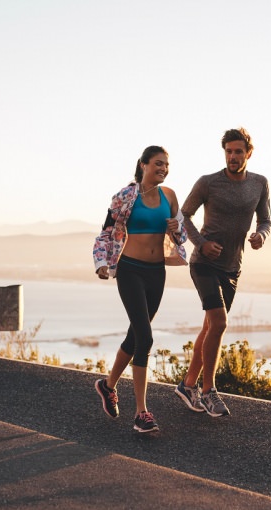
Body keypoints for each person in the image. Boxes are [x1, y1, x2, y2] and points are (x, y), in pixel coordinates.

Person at [174, 127, 271, 417]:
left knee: (210, 327)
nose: (232, 156)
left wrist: (261, 236)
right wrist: (202, 244)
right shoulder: (208, 183)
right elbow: (183, 216)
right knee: (219, 322)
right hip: (203, 264)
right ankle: (208, 391)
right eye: (228, 151)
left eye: (238, 151)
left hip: (232, 267)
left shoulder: (260, 183)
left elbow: (265, 219)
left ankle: (187, 384)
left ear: (248, 153)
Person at [92, 145, 187, 432]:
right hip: (130, 270)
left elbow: (181, 237)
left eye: (166, 165)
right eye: (158, 163)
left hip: (156, 273)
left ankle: (107, 386)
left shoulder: (169, 196)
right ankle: (141, 413)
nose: (163, 169)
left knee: (135, 336)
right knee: (145, 338)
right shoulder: (125, 196)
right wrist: (101, 262)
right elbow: (106, 232)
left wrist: (175, 228)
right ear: (143, 165)